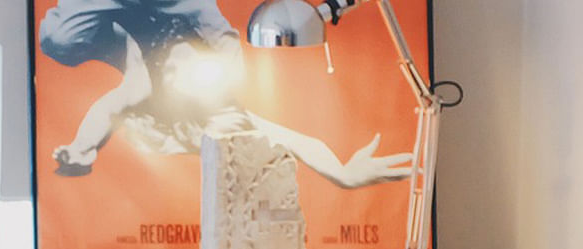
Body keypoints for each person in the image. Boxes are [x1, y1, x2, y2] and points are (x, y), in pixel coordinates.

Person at [39, 0, 412, 188]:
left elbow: (106, 111)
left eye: (174, 73)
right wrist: (342, 173)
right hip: (187, 22)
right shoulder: (217, 72)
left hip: (137, 29)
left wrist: (80, 149)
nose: (174, 72)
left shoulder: (143, 84)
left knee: (58, 39)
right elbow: (301, 141)